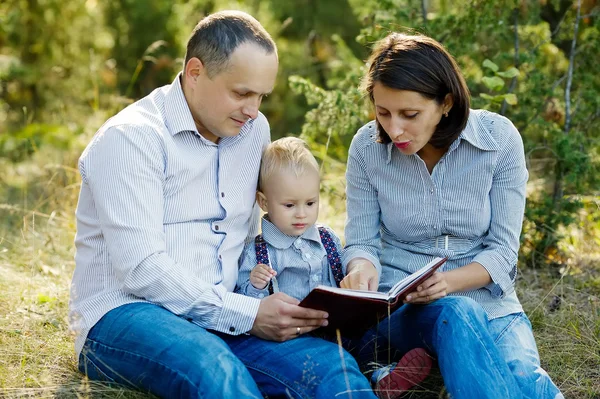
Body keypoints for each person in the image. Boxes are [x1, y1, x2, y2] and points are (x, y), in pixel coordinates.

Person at [69, 10, 376, 399]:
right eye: (242, 93)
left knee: (334, 372)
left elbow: (258, 226)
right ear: (195, 72)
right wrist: (247, 314)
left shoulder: (253, 131)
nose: (253, 109)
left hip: (228, 311)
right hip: (128, 316)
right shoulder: (132, 139)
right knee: (214, 368)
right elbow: (141, 268)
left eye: (261, 95)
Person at [341, 32, 564, 399]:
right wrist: (362, 269)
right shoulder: (366, 147)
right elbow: (362, 241)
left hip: (490, 302)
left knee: (526, 379)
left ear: (446, 103)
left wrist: (446, 283)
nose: (393, 129)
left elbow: (503, 252)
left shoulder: (498, 140)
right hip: (404, 308)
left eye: (409, 114)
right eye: (383, 113)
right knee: (457, 314)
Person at [236, 136, 432, 399]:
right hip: (298, 337)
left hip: (339, 327)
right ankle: (372, 378)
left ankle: (382, 375)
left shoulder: (325, 237)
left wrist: (356, 283)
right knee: (334, 359)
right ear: (263, 202)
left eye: (310, 203)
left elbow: (344, 273)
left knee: (372, 339)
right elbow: (248, 306)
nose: (301, 214)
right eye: (289, 205)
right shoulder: (259, 253)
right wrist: (255, 284)